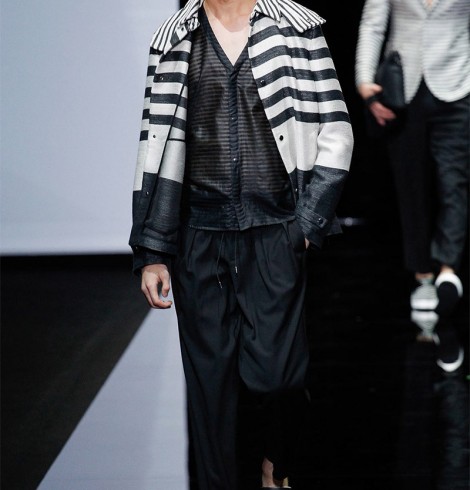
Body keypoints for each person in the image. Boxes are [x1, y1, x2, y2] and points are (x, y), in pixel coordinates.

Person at [129, 0, 353, 487]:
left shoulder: (295, 27)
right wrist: (153, 250)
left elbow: (336, 129)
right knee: (210, 388)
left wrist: (307, 222)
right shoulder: (174, 38)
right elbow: (155, 143)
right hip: (198, 235)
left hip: (276, 228)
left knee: (278, 376)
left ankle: (277, 459)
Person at [355, 0, 469, 316]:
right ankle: (422, 274)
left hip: (458, 82)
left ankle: (448, 268)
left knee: (454, 179)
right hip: (402, 87)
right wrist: (364, 81)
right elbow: (373, 24)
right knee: (410, 184)